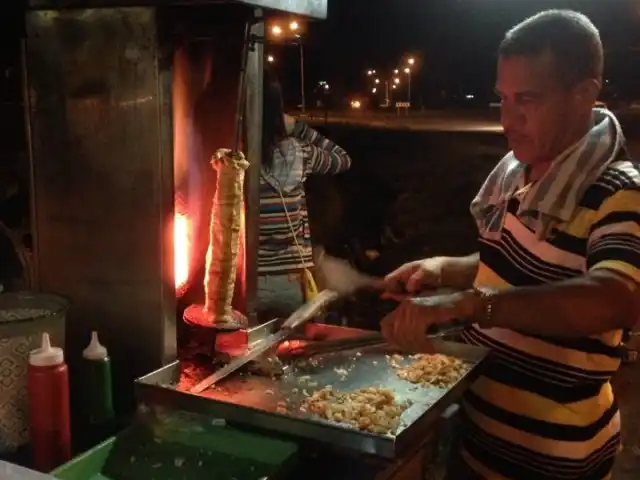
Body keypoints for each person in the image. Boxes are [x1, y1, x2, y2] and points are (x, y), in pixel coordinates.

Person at [381, 10, 639, 480]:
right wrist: (444, 269)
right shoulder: (520, 173)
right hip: (479, 440)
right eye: (502, 98)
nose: (507, 119)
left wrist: (471, 305)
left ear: (584, 95)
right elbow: (519, 265)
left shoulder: (619, 190)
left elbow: (614, 298)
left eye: (528, 100)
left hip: (554, 461)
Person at [257, 68, 352, 320]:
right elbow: (343, 159)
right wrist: (298, 128)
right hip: (292, 282)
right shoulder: (301, 153)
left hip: (248, 283)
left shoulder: (236, 159)